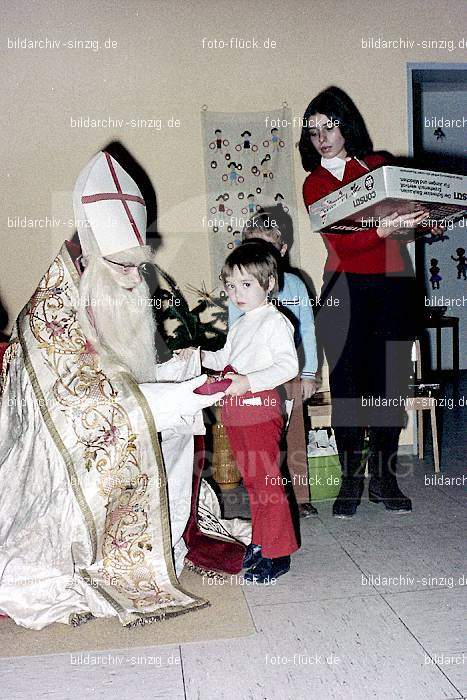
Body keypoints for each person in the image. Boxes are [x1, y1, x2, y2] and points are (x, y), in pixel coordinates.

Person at [0, 151, 228, 629]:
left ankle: (160, 544)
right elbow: (95, 407)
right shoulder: (50, 315)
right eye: (122, 266)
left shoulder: (120, 285)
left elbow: (132, 371)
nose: (133, 278)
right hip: (53, 464)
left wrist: (186, 370)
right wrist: (190, 394)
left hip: (107, 427)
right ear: (91, 254)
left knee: (179, 429)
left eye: (137, 264)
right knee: (164, 418)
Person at [299, 86, 429, 518]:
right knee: (350, 391)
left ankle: (386, 482)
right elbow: (340, 242)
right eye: (314, 130)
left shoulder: (378, 167)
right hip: (344, 290)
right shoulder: (314, 184)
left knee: (390, 388)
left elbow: (403, 229)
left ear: (345, 125)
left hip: (392, 287)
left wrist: (422, 223)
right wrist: (381, 231)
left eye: (329, 125)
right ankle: (351, 482)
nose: (322, 137)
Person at [179, 242, 299, 582]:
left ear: (269, 283)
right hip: (237, 413)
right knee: (253, 482)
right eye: (231, 285)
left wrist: (249, 382)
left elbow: (288, 365)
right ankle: (261, 542)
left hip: (260, 411)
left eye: (246, 285)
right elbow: (224, 360)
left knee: (267, 483)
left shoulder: (274, 322)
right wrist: (197, 355)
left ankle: (278, 554)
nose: (236, 293)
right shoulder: (244, 322)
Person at [228, 209, 319, 517]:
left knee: (293, 431)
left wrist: (309, 373)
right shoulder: (239, 289)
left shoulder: (294, 285)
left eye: (266, 248)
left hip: (288, 371)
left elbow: (307, 327)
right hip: (252, 376)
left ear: (281, 251)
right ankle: (261, 490)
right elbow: (233, 333)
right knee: (257, 436)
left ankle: (300, 495)